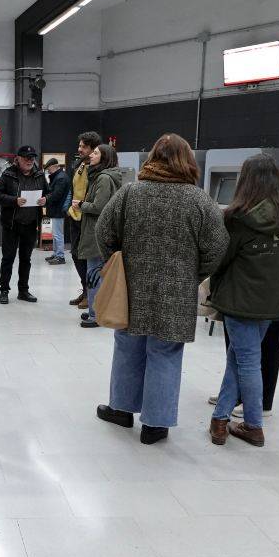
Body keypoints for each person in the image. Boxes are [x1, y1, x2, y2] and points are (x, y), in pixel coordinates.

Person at [94, 133, 228, 443]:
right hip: (177, 292)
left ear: (152, 157)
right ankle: (155, 425)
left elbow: (103, 230)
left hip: (131, 287)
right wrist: (194, 273)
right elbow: (218, 246)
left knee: (127, 346)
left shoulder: (131, 193)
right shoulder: (199, 200)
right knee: (166, 352)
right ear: (187, 161)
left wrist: (115, 260)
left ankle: (121, 409)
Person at [207, 155, 279, 448]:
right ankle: (220, 419)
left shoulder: (238, 218)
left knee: (247, 361)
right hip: (273, 301)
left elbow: (221, 259)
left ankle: (253, 425)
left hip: (240, 299)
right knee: (239, 359)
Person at [75, 144, 121, 329]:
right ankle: (95, 310)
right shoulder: (103, 176)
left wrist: (81, 205)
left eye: (95, 153)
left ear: (105, 158)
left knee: (94, 273)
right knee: (95, 272)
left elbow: (99, 207)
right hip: (99, 232)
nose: (91, 155)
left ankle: (96, 315)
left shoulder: (103, 178)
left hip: (97, 233)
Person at [0, 145, 47, 304]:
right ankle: (4, 290)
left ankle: (23, 291)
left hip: (30, 224)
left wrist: (46, 199)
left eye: (32, 158)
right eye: (26, 158)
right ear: (18, 159)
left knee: (26, 259)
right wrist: (14, 201)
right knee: (8, 258)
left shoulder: (39, 175)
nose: (30, 161)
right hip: (11, 224)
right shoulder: (8, 174)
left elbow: (48, 192)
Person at [68, 131, 102, 308]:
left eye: (84, 147)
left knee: (86, 257)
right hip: (75, 216)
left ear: (93, 148)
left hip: (88, 218)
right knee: (75, 254)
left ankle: (91, 294)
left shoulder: (99, 169)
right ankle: (85, 289)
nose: (80, 149)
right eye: (79, 145)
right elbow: (74, 188)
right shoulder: (80, 164)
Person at [43, 158, 68, 264]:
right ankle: (56, 254)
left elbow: (57, 195)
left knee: (58, 234)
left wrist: (46, 199)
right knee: (55, 234)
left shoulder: (60, 178)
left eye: (49, 169)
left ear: (54, 167)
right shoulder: (59, 176)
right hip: (56, 209)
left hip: (58, 210)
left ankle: (60, 256)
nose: (48, 172)